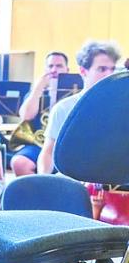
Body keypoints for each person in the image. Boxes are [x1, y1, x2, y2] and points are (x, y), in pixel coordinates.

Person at [38, 40, 121, 175]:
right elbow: (48, 152)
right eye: (102, 69)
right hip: (75, 179)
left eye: (112, 69)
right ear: (83, 71)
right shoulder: (63, 108)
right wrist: (43, 181)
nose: (109, 74)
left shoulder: (122, 106)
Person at [10, 51, 69, 177]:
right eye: (50, 66)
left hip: (66, 146)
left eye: (59, 66)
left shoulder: (74, 94)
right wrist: (37, 89)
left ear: (67, 70)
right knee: (19, 163)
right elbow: (26, 116)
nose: (54, 70)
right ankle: (34, 195)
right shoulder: (36, 94)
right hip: (37, 144)